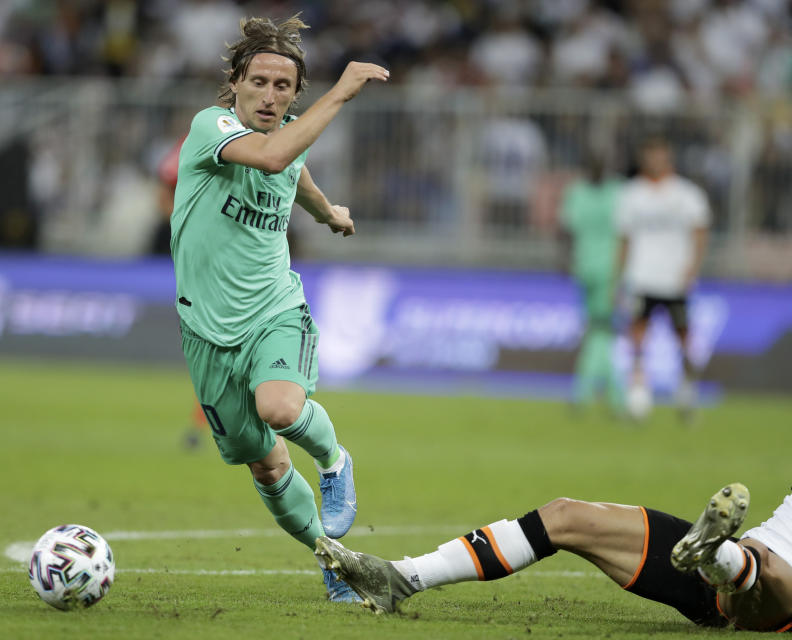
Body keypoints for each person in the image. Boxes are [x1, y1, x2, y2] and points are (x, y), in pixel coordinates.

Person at [169, 14, 389, 602]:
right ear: (236, 82)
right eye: (260, 82)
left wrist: (328, 214)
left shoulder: (289, 138)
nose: (270, 96)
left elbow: (298, 177)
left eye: (283, 87)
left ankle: (336, 461)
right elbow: (272, 159)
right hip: (205, 329)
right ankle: (333, 558)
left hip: (273, 309)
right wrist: (342, 92)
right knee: (262, 465)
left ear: (296, 95)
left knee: (280, 407)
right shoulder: (208, 128)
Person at [316, 483, 792, 632]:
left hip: (776, 598)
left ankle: (727, 563)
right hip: (754, 547)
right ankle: (401, 578)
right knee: (563, 516)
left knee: (757, 575)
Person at [614, 135, 710, 420]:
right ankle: (639, 396)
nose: (655, 160)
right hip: (641, 277)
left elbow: (700, 233)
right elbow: (624, 240)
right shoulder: (632, 194)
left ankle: (687, 394)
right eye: (650, 155)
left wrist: (692, 268)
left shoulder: (686, 194)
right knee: (638, 337)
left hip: (674, 279)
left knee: (683, 338)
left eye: (660, 154)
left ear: (669, 157)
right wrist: (619, 279)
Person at [559, 150, 624, 414]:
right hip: (605, 269)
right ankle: (610, 395)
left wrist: (564, 260)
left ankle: (589, 392)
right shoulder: (617, 192)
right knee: (601, 330)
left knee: (596, 330)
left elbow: (565, 230)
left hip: (590, 267)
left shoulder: (577, 193)